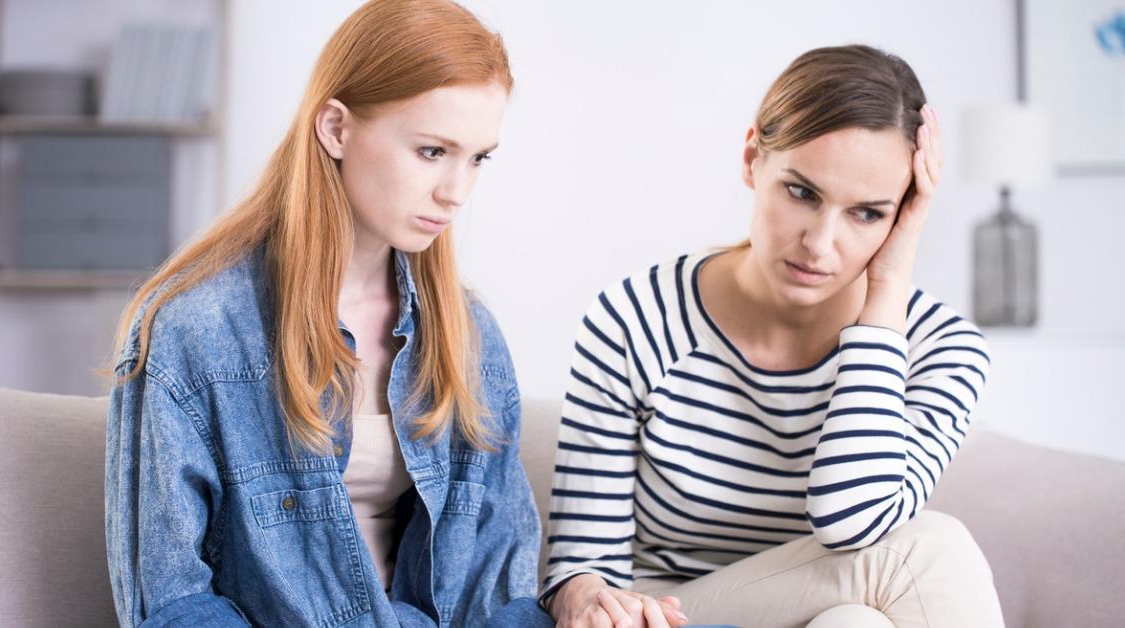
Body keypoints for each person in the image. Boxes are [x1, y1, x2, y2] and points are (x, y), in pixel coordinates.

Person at [103, 1, 551, 625]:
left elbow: (495, 593)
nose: (456, 192)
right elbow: (171, 602)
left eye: (478, 157)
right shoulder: (192, 328)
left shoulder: (469, 333)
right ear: (336, 129)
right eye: (430, 151)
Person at [542, 45, 1004, 628]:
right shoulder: (634, 318)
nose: (819, 243)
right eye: (802, 192)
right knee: (925, 549)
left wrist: (886, 295)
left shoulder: (942, 349)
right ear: (751, 159)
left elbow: (853, 520)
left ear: (902, 216)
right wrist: (583, 594)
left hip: (833, 607)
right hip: (668, 614)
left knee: (855, 622)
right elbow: (583, 568)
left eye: (866, 213)